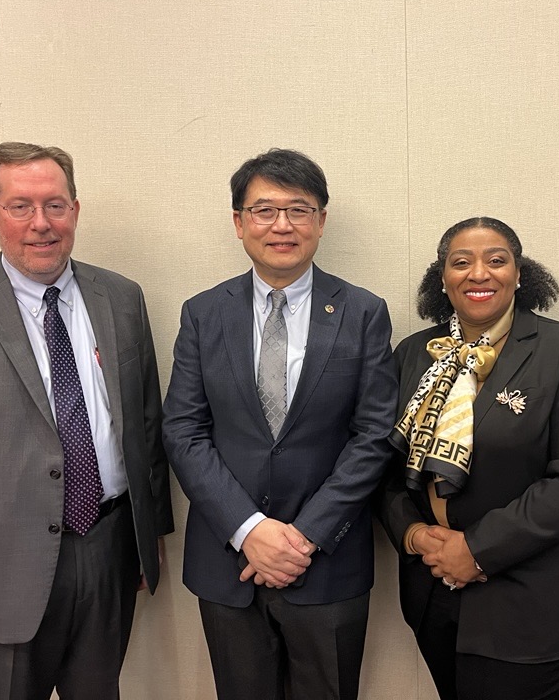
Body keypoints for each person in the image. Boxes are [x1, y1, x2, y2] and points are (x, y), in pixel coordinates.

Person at [0, 142, 174, 699]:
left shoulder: (120, 298)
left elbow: (144, 427)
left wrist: (148, 536)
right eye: (20, 206)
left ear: (75, 210)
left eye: (55, 205)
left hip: (109, 551)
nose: (40, 224)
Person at [162, 148, 397, 700]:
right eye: (265, 210)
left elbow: (375, 434)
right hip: (228, 561)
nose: (282, 225)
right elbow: (183, 431)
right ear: (239, 223)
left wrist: (304, 535)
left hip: (328, 560)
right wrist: (251, 530)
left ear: (321, 219)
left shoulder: (363, 312)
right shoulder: (203, 313)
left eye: (299, 209)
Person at [379, 217, 559, 700]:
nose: (478, 273)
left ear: (519, 273)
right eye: (461, 262)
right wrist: (411, 533)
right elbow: (384, 466)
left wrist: (476, 549)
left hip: (533, 601)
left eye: (496, 260)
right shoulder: (414, 354)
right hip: (434, 589)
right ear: (441, 278)